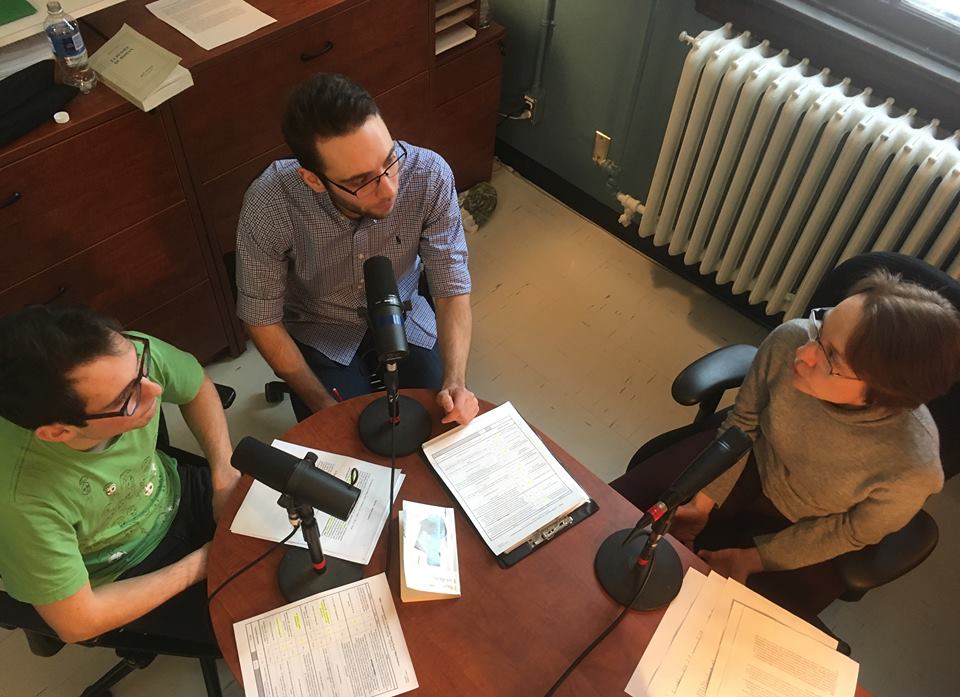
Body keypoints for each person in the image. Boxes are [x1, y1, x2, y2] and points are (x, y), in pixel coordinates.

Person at [618, 269, 960, 618]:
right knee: (618, 515)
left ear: (882, 394)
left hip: (816, 523)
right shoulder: (791, 340)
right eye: (821, 327)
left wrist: (753, 559)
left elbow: (851, 531)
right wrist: (700, 505)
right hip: (750, 456)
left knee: (726, 625)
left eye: (829, 356)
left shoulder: (913, 467)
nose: (803, 352)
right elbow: (742, 423)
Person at [236, 72, 479, 425]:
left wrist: (456, 381)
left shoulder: (429, 174)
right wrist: (323, 406)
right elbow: (261, 319)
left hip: (405, 313)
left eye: (389, 160)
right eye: (360, 181)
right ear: (314, 180)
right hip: (321, 327)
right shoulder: (270, 204)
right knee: (344, 439)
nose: (389, 190)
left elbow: (451, 284)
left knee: (437, 419)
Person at [0, 304, 240, 644]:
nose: (154, 390)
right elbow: (79, 622)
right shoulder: (21, 498)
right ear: (58, 432)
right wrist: (198, 565)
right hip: (124, 573)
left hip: (174, 491)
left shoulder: (122, 360)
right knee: (262, 619)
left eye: (141, 371)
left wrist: (223, 472)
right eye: (128, 397)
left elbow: (196, 385)